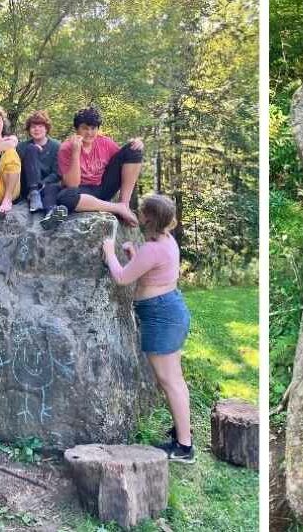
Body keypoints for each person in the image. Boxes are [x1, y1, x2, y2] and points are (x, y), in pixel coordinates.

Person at [102, 194, 193, 463]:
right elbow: (153, 270)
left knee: (170, 381)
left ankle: (184, 447)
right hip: (169, 310)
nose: (138, 214)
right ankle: (182, 433)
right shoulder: (165, 240)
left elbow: (121, 277)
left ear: (149, 218)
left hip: (162, 315)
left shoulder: (154, 248)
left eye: (141, 211)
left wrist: (110, 253)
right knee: (174, 379)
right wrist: (134, 254)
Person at [40, 106, 143, 230]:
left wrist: (136, 144)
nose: (89, 133)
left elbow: (125, 161)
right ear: (77, 129)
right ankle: (117, 208)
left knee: (134, 149)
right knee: (65, 197)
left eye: (93, 128)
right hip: (83, 192)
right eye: (84, 128)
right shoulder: (66, 148)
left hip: (104, 187)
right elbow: (73, 184)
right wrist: (75, 153)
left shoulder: (105, 142)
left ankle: (124, 204)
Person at [17, 110, 62, 213]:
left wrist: (42, 184)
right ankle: (34, 193)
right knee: (31, 149)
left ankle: (50, 214)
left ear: (46, 128)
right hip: (28, 187)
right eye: (33, 127)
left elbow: (57, 173)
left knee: (51, 191)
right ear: (29, 130)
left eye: (40, 126)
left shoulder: (56, 146)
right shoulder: (21, 147)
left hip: (47, 185)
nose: (36, 129)